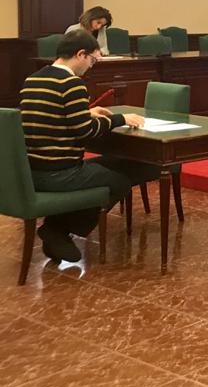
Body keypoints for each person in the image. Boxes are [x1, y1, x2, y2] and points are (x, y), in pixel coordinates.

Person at [19, 30, 151, 263]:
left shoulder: (33, 79)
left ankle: (56, 229)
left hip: (34, 170)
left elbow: (49, 115)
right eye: (92, 60)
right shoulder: (72, 83)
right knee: (120, 182)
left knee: (113, 165)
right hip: (60, 172)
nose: (91, 66)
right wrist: (120, 119)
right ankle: (57, 229)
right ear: (81, 54)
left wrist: (86, 112)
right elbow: (85, 132)